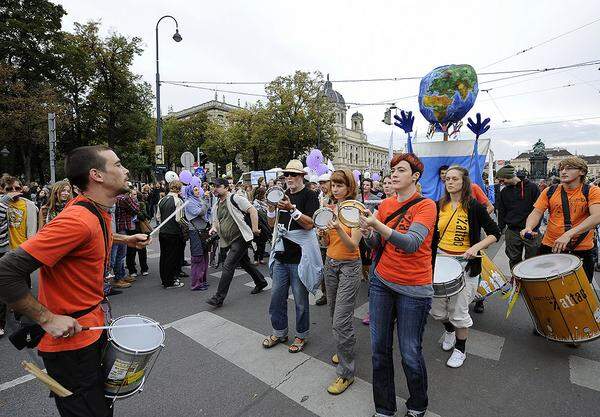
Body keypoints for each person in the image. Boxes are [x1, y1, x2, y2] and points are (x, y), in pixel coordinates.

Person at [0, 145, 150, 417]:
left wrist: (124, 239)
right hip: (70, 345)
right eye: (117, 164)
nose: (126, 170)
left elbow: (87, 237)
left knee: (101, 405)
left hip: (90, 332)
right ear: (97, 175)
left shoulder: (93, 209)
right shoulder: (78, 219)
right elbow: (5, 270)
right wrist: (46, 318)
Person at [358, 153, 436, 417]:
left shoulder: (426, 206)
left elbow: (412, 243)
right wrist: (369, 234)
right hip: (382, 283)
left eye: (400, 170)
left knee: (410, 353)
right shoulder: (387, 204)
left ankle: (417, 405)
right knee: (379, 350)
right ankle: (384, 409)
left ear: (415, 176)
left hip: (414, 289)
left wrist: (377, 225)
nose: (393, 174)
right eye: (392, 170)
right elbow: (376, 245)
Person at [431, 165, 500, 368]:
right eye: (447, 179)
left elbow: (494, 232)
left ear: (464, 182)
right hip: (440, 262)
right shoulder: (438, 206)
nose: (450, 182)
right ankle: (449, 330)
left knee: (459, 312)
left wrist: (475, 247)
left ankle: (460, 350)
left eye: (454, 179)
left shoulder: (475, 207)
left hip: (465, 265)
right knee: (437, 312)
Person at [263, 159, 321, 353]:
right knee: (276, 298)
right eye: (286, 175)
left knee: (301, 302)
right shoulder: (282, 195)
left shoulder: (310, 195)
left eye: (293, 175)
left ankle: (301, 335)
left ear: (301, 176)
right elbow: (273, 225)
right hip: (281, 255)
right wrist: (271, 210)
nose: (288, 178)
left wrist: (292, 209)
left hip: (300, 258)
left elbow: (310, 224)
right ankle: (279, 332)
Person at [317, 169, 362, 395]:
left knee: (340, 321)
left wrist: (336, 228)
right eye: (333, 185)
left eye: (339, 185)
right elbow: (329, 241)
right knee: (335, 314)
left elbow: (353, 245)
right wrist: (323, 233)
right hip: (330, 264)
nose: (334, 189)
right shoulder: (328, 208)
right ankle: (345, 349)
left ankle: (346, 373)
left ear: (349, 187)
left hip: (350, 267)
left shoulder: (356, 210)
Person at [522, 156, 600, 283]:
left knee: (579, 292)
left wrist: (569, 234)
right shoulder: (550, 191)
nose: (563, 171)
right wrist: (529, 227)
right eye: (561, 168)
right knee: (547, 289)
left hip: (581, 249)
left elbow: (597, 216)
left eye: (569, 168)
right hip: (550, 246)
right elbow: (536, 212)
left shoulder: (592, 190)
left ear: (582, 171)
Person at [206, 178, 268, 307]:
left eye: (218, 186)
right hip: (228, 239)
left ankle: (218, 297)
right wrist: (213, 228)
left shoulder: (235, 198)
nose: (215, 189)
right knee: (245, 263)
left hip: (240, 238)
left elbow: (253, 210)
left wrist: (255, 228)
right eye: (214, 186)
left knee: (228, 265)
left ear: (226, 187)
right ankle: (261, 282)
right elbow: (216, 221)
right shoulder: (216, 204)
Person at [496, 165, 541, 270]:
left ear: (509, 176)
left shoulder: (533, 188)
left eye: (502, 180)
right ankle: (516, 280)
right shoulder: (504, 192)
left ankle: (530, 280)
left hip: (531, 230)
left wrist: (535, 228)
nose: (502, 183)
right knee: (513, 259)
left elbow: (539, 209)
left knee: (532, 259)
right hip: (512, 231)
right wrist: (500, 228)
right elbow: (501, 212)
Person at [5, 176, 38, 287]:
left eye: (17, 188)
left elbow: (32, 230)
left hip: (22, 250)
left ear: (21, 189)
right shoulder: (2, 205)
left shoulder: (30, 206)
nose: (14, 191)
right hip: (5, 251)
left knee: (24, 284)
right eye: (9, 189)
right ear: (4, 190)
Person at [157, 181, 186, 289]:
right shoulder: (178, 200)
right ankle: (170, 281)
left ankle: (164, 279)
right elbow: (179, 219)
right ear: (179, 189)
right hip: (173, 233)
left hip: (163, 232)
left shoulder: (161, 200)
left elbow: (158, 217)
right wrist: (187, 226)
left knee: (164, 256)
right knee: (172, 257)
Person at [184, 183, 210, 291]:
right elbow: (201, 212)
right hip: (195, 232)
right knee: (197, 257)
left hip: (203, 231)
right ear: (190, 191)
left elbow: (208, 210)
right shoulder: (189, 202)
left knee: (204, 256)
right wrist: (205, 201)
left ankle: (202, 280)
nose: (198, 191)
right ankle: (196, 284)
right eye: (195, 190)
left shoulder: (198, 199)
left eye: (198, 189)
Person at [316, 172, 332, 306]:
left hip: (335, 239)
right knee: (323, 267)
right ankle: (325, 293)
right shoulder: (320, 197)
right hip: (321, 239)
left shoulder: (335, 198)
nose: (322, 186)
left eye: (324, 183)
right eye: (320, 183)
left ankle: (333, 293)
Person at [126, 187, 150, 277]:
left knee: (142, 249)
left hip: (140, 228)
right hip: (129, 229)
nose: (133, 196)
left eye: (135, 194)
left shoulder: (141, 204)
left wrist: (138, 214)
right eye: (131, 195)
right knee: (130, 250)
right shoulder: (126, 204)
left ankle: (144, 269)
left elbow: (146, 215)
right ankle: (132, 270)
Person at [251, 187, 268, 265]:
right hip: (258, 224)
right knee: (257, 242)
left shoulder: (265, 202)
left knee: (263, 242)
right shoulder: (255, 203)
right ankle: (255, 258)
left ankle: (261, 258)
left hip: (265, 224)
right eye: (265, 194)